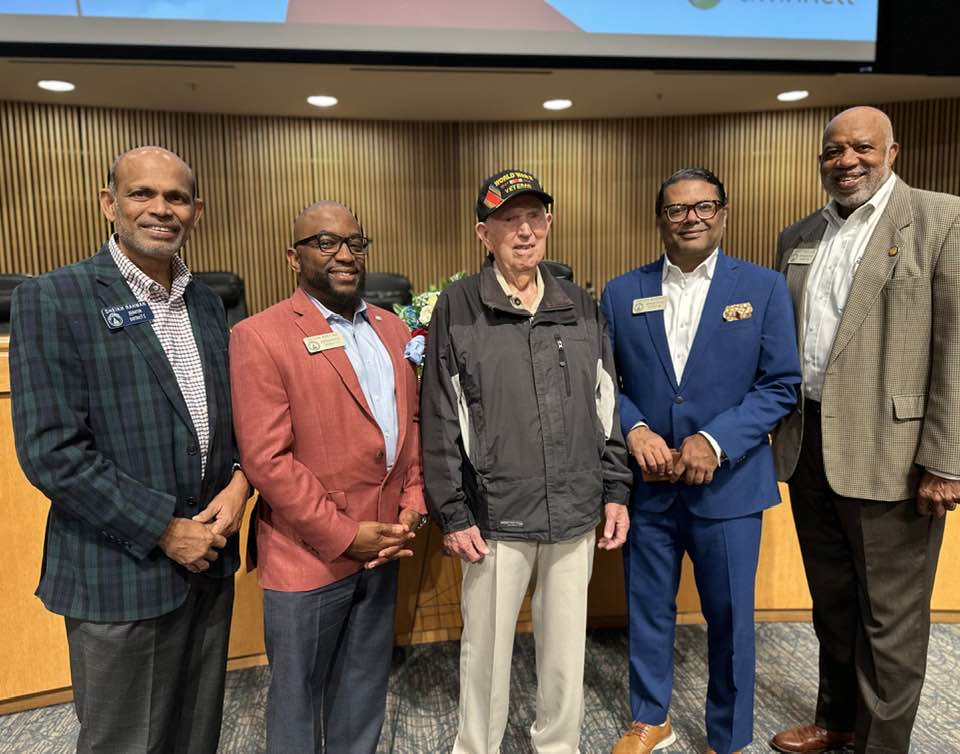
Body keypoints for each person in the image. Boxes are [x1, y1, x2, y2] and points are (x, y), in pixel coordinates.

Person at [9, 146, 248, 753]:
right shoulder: (55, 298)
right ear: (109, 204)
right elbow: (52, 451)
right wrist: (166, 529)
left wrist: (240, 484)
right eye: (143, 194)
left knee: (196, 737)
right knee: (125, 742)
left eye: (176, 197)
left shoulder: (207, 302)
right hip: (120, 569)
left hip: (210, 561)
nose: (160, 209)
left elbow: (233, 417)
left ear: (197, 210)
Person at [420, 168, 633, 754]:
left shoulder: (580, 305)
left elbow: (607, 406)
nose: (524, 231)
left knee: (566, 652)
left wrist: (616, 491)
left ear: (550, 224)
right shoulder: (460, 306)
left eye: (534, 217)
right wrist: (453, 511)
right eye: (508, 220)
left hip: (574, 509)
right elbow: (438, 414)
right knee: (485, 652)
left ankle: (557, 746)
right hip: (494, 515)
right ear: (482, 233)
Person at [770, 106, 960, 754]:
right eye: (833, 151)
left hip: (895, 455)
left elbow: (956, 347)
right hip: (809, 446)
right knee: (834, 603)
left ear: (893, 151)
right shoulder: (797, 235)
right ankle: (840, 720)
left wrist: (946, 459)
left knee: (891, 622)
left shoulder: (942, 219)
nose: (845, 160)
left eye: (861, 148)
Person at [601, 168, 801, 754]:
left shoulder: (763, 288)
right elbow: (604, 380)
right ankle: (650, 718)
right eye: (676, 209)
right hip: (651, 487)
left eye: (703, 207)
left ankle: (727, 735)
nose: (690, 218)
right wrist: (633, 428)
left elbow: (780, 385)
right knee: (647, 610)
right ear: (659, 218)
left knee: (731, 620)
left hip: (730, 487)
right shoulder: (620, 292)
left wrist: (713, 441)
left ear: (724, 213)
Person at [229, 200, 427, 754]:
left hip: (385, 544)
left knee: (363, 686)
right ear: (293, 258)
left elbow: (410, 423)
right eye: (325, 242)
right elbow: (267, 459)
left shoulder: (392, 329)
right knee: (298, 695)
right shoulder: (259, 334)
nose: (344, 254)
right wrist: (344, 534)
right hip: (308, 552)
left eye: (355, 242)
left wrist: (413, 498)